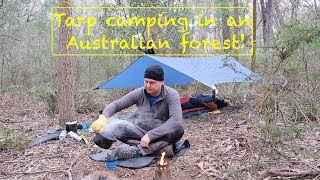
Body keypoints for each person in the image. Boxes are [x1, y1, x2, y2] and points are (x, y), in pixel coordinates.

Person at [91, 65, 184, 160]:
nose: (148, 85)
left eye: (152, 83)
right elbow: (116, 105)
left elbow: (176, 120)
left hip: (161, 134)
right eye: (146, 81)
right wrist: (103, 118)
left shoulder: (171, 94)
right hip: (141, 132)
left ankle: (138, 151)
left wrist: (150, 135)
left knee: (178, 130)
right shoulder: (140, 93)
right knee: (116, 126)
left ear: (161, 82)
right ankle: (160, 149)